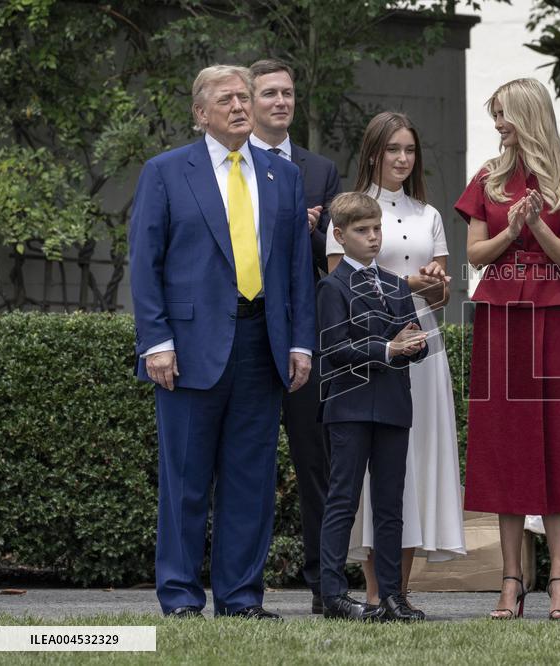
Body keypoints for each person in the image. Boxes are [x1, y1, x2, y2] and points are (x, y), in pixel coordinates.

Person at [128, 64, 314, 619]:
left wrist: (300, 343)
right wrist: (156, 340)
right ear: (200, 112)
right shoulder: (165, 171)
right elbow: (145, 262)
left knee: (251, 480)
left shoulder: (282, 175)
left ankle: (240, 600)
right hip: (187, 349)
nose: (239, 106)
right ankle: (181, 599)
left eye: (243, 97)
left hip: (263, 344)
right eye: (227, 99)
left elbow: (297, 269)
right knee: (184, 479)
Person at [454, 78, 560, 621]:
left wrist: (537, 224)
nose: (498, 124)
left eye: (505, 114)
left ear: (528, 115)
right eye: (495, 115)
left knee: (557, 439)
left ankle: (559, 580)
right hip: (499, 316)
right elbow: (476, 255)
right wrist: (510, 230)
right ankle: (510, 580)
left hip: (553, 315)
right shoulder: (488, 178)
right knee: (504, 442)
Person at [326, 112, 466, 607]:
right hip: (365, 352)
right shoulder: (347, 212)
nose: (403, 159)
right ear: (373, 152)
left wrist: (437, 283)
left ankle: (399, 592)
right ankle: (370, 592)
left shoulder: (429, 214)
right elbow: (342, 287)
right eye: (393, 150)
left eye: (410, 149)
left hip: (423, 350)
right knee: (368, 474)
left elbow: (442, 296)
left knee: (412, 467)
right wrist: (411, 284)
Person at [248, 58, 341, 616]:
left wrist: (306, 230)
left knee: (316, 466)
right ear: (249, 102)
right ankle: (243, 588)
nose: (281, 102)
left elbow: (325, 259)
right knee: (249, 463)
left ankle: (324, 586)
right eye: (269, 94)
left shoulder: (320, 169)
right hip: (248, 336)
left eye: (287, 92)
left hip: (306, 335)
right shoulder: (230, 168)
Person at [317, 192, 429, 623]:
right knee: (342, 500)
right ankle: (332, 593)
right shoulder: (332, 286)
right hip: (348, 406)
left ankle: (391, 595)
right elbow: (334, 348)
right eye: (363, 230)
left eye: (377, 228)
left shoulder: (398, 285)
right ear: (340, 235)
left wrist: (414, 346)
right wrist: (387, 347)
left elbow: (412, 342)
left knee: (389, 504)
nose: (374, 237)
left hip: (394, 407)